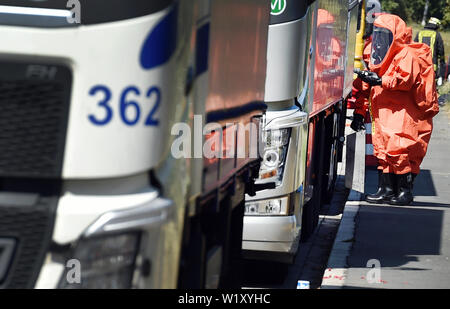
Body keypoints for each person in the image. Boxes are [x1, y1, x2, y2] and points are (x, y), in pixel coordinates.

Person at [351, 14, 439, 206]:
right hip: (384, 110)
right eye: (378, 34)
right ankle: (386, 190)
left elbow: (404, 81)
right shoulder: (379, 53)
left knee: (400, 149)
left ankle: (404, 192)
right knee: (383, 149)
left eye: (384, 34)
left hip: (403, 111)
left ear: (395, 35)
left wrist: (380, 80)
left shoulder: (407, 54)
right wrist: (359, 111)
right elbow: (366, 85)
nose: (380, 39)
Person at [415, 17, 446, 86]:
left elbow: (413, 46)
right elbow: (441, 50)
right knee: (431, 83)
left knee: (419, 82)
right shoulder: (437, 34)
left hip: (419, 63)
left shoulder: (419, 33)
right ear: (436, 25)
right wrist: (442, 61)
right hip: (432, 64)